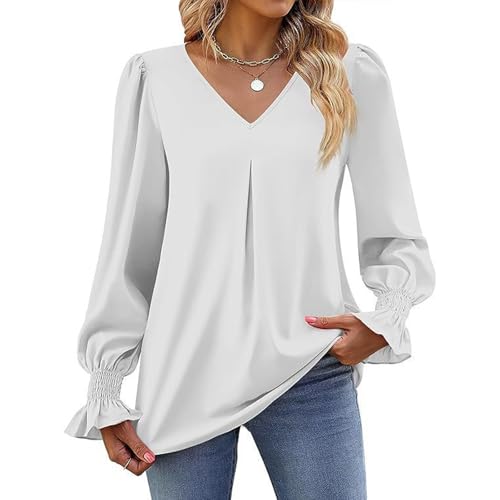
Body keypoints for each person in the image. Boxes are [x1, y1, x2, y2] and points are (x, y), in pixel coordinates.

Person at [64, 1, 436, 498]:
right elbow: (132, 246)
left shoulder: (348, 72)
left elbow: (393, 222)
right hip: (185, 374)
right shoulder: (156, 78)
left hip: (309, 366)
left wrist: (387, 317)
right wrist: (106, 386)